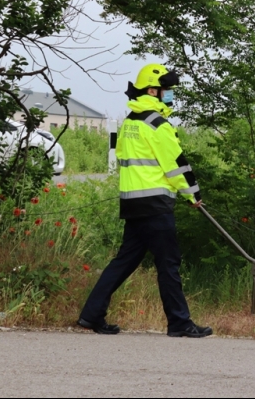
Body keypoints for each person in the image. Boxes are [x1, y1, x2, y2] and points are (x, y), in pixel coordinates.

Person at [78, 64, 212, 338]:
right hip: (155, 205)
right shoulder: (158, 125)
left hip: (132, 204)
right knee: (169, 264)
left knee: (124, 262)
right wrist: (194, 195)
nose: (170, 95)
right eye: (167, 90)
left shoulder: (129, 123)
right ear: (153, 91)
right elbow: (176, 165)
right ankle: (179, 323)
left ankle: (91, 314)